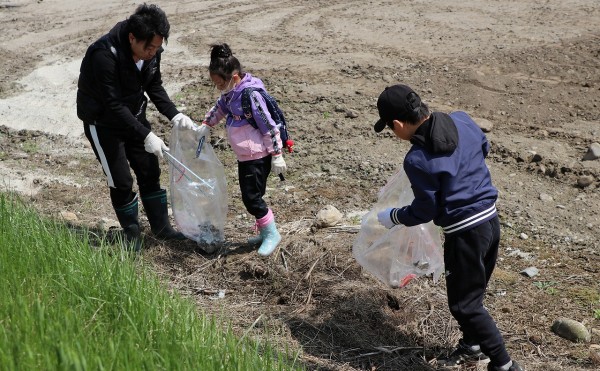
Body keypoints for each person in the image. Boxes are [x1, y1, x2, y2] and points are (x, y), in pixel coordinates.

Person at [373, 84, 524, 371]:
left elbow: (425, 210)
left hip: (465, 233)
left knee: (465, 305)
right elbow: (484, 147)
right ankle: (473, 345)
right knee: (473, 294)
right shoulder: (461, 120)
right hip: (490, 221)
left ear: (397, 124)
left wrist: (394, 216)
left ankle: (504, 365)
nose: (395, 135)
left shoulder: (417, 159)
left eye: (392, 130)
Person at [76, 3, 192, 251]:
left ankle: (162, 229)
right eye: (148, 47)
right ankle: (131, 234)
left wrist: (175, 115)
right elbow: (113, 105)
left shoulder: (153, 51)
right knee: (121, 180)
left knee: (149, 169)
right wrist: (147, 134)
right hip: (103, 122)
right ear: (132, 38)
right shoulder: (103, 54)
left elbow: (154, 85)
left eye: (157, 47)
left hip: (134, 117)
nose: (153, 52)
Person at [186, 43, 286, 257]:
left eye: (220, 83)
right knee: (252, 195)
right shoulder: (231, 94)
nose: (218, 88)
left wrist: (277, 155)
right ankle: (264, 230)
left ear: (233, 77)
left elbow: (268, 126)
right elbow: (220, 107)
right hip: (245, 156)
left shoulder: (250, 95)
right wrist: (206, 124)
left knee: (252, 199)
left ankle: (271, 234)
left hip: (257, 156)